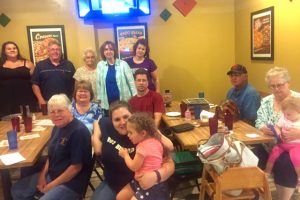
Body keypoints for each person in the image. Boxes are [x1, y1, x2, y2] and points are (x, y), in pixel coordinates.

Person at [11, 94, 92, 200]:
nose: (56, 115)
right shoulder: (57, 127)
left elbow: (75, 168)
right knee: (17, 190)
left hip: (71, 183)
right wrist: (42, 176)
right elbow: (51, 156)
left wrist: (51, 186)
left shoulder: (79, 131)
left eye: (60, 110)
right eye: (52, 112)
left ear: (69, 110)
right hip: (53, 174)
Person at [91, 101, 174, 200]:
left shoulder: (145, 135)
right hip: (112, 183)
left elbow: (170, 162)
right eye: (117, 119)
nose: (122, 122)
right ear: (111, 120)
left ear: (133, 115)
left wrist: (156, 176)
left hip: (142, 182)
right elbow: (97, 122)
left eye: (126, 117)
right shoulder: (106, 123)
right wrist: (95, 138)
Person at [255, 66, 300, 200]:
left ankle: (283, 197)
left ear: (288, 83)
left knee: (284, 162)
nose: (276, 89)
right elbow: (258, 121)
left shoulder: (298, 100)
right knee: (250, 156)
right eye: (272, 86)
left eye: (279, 85)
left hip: (295, 147)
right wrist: (263, 128)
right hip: (268, 144)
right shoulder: (266, 101)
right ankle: (253, 194)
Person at [117, 113, 169, 200]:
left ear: (143, 133)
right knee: (120, 197)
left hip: (151, 186)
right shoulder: (156, 141)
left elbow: (134, 167)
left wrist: (125, 155)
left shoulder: (142, 148)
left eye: (131, 132)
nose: (128, 135)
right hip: (153, 182)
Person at [265, 96, 300, 186]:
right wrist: (277, 131)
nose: (286, 116)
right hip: (282, 143)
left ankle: (299, 177)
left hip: (296, 145)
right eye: (284, 114)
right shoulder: (284, 118)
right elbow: (277, 127)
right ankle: (267, 173)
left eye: (289, 114)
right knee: (273, 154)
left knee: (296, 158)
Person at [96, 41, 136, 115]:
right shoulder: (100, 65)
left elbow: (131, 82)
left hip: (123, 100)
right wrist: (99, 99)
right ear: (103, 52)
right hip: (107, 101)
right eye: (106, 49)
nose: (109, 51)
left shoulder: (123, 64)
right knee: (110, 122)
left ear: (114, 51)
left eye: (111, 49)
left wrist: (135, 97)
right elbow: (98, 84)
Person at [31, 40, 75, 107]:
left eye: (57, 49)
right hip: (46, 102)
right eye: (52, 49)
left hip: (66, 102)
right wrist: (40, 99)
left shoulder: (69, 65)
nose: (55, 51)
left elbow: (75, 83)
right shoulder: (40, 65)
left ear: (61, 52)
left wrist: (73, 98)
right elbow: (35, 84)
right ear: (48, 52)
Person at [0, 41, 37, 118]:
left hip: (27, 97)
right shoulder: (0, 63)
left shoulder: (27, 63)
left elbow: (35, 81)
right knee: (8, 123)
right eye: (9, 49)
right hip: (6, 99)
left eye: (14, 48)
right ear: (4, 51)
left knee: (29, 121)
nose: (12, 50)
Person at [72, 80, 102, 155]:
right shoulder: (68, 108)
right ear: (75, 94)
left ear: (90, 94)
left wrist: (95, 139)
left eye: (85, 91)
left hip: (89, 143)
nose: (82, 93)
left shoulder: (96, 108)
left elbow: (97, 129)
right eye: (80, 91)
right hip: (71, 142)